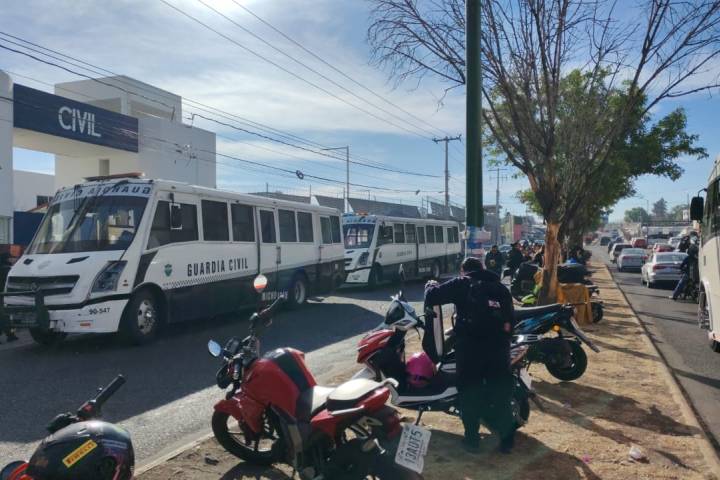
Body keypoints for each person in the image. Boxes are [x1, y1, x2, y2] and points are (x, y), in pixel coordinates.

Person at [424, 257, 516, 453]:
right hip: (499, 350)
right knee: (501, 395)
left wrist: (430, 285)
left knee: (469, 394)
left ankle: (472, 440)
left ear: (463, 270)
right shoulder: (500, 288)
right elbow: (511, 321)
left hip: (471, 350)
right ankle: (507, 443)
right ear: (483, 268)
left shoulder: (463, 282)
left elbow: (432, 297)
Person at [0, 253, 18, 343]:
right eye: (12, 257)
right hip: (4, 296)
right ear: (7, 259)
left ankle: (10, 334)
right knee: (5, 316)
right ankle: (10, 334)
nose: (14, 259)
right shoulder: (9, 270)